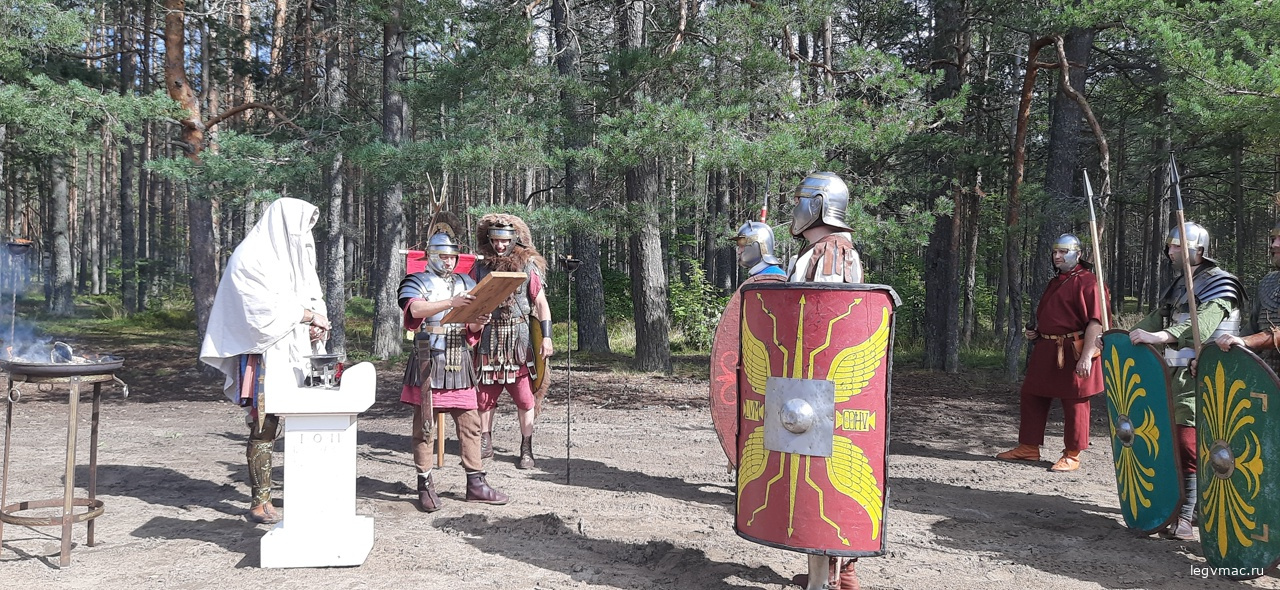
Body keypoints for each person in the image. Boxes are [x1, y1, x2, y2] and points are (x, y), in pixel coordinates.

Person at [199, 198, 331, 525]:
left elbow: (312, 297)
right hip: (265, 354)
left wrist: (317, 324)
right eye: (300, 228)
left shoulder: (298, 256)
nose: (304, 236)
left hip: (299, 351)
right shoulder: (250, 257)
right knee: (265, 423)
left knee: (310, 418)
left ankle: (307, 491)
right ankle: (260, 501)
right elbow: (258, 310)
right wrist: (307, 315)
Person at [1130, 221, 1243, 540]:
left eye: (1177, 245)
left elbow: (1201, 326)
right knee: (1170, 441)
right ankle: (1179, 507)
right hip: (1173, 375)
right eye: (1169, 245)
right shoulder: (1180, 284)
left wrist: (1162, 336)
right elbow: (1156, 319)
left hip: (1207, 376)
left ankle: (1188, 513)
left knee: (1189, 444)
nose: (1170, 250)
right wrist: (1121, 339)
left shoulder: (1222, 284)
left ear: (1199, 250)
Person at [786, 171, 862, 590]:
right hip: (817, 389)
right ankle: (836, 572)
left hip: (820, 389)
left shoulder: (831, 254)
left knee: (820, 481)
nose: (795, 208)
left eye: (801, 199)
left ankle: (828, 578)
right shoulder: (825, 249)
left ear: (817, 205)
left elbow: (824, 326)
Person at [398, 232, 508, 512]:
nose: (448, 262)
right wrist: (451, 303)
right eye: (443, 256)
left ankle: (476, 483)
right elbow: (415, 309)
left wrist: (479, 320)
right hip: (429, 359)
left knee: (471, 424)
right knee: (425, 427)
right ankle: (425, 484)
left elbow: (471, 327)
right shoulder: (416, 280)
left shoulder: (467, 282)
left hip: (459, 357)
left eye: (452, 257)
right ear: (431, 256)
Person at [996, 234, 1104, 472]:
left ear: (1078, 254)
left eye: (1063, 252)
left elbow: (1096, 323)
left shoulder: (1089, 283)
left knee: (1075, 401)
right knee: (1032, 394)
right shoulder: (1057, 282)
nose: (1057, 256)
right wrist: (1038, 332)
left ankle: (1072, 454)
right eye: (1055, 252)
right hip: (1048, 348)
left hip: (1074, 350)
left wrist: (1087, 356)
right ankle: (1028, 447)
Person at [471, 214, 554, 469]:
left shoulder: (528, 265)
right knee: (485, 397)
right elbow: (469, 300)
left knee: (526, 399)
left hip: (519, 340)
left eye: (504, 241)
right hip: (489, 338)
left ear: (514, 240)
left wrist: (547, 337)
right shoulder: (480, 267)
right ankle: (485, 442)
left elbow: (541, 304)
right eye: (495, 240)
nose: (500, 245)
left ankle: (526, 447)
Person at [1215, 221, 1280, 374]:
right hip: (1268, 379)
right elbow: (1251, 330)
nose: (1274, 245)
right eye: (1273, 239)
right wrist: (1214, 361)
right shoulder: (1268, 283)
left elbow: (1248, 339)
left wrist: (1246, 341)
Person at [787, 171, 863, 283]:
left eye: (797, 203)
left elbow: (825, 294)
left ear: (816, 204)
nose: (794, 211)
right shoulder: (820, 249)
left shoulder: (831, 253)